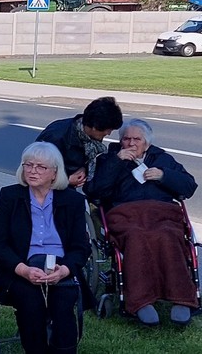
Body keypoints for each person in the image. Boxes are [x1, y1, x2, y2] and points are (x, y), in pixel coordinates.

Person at [85, 119, 199, 325]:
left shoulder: (162, 159)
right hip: (126, 214)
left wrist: (164, 176)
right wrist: (116, 163)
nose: (131, 143)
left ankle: (182, 298)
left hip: (162, 213)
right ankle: (140, 301)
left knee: (168, 235)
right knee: (136, 236)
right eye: (126, 139)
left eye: (136, 139)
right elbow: (94, 192)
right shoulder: (109, 159)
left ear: (146, 142)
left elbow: (189, 186)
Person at [0, 142, 89, 354]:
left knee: (62, 305)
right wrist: (24, 270)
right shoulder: (10, 196)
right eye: (28, 165)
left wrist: (64, 270)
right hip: (20, 268)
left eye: (41, 167)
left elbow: (81, 248)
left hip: (60, 267)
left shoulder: (73, 201)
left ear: (55, 173)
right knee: (31, 303)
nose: (33, 171)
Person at [36, 96, 123, 188]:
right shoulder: (56, 137)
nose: (108, 134)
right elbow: (36, 171)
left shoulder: (89, 136)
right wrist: (67, 180)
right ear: (94, 127)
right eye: (107, 130)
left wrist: (83, 168)